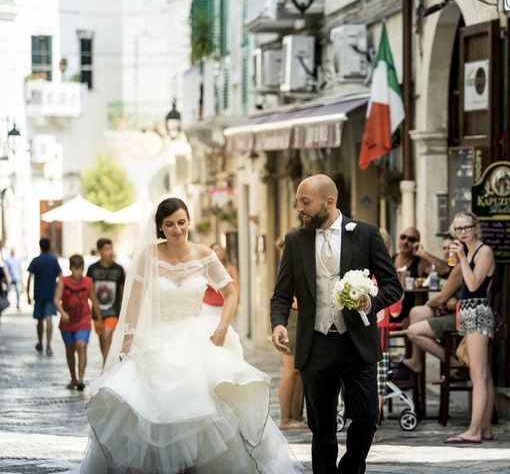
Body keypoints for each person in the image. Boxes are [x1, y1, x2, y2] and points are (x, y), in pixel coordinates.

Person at [81, 197, 301, 473]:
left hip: (197, 335)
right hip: (156, 341)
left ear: (189, 221)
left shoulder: (204, 254)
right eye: (169, 224)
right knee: (155, 406)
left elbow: (231, 294)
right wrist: (127, 344)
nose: (177, 229)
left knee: (205, 403)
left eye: (181, 222)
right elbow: (134, 303)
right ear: (160, 227)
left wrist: (221, 329)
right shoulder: (148, 256)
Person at [270, 175, 403, 474]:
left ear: (329, 201)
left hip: (356, 342)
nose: (299, 208)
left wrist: (371, 302)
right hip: (316, 343)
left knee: (368, 414)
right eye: (298, 202)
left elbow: (393, 286)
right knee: (322, 427)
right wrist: (278, 323)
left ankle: (352, 468)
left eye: (305, 202)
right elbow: (281, 294)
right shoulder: (294, 240)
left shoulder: (366, 234)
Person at [444, 212, 496, 444]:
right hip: (467, 311)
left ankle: (474, 431)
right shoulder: (466, 251)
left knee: (478, 376)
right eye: (458, 229)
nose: (462, 232)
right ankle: (484, 428)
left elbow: (474, 284)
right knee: (484, 374)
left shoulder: (483, 251)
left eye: (466, 227)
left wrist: (463, 257)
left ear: (476, 228)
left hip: (478, 311)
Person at [402, 234, 464, 373]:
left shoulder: (459, 266)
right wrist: (448, 298)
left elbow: (441, 297)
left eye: (451, 247)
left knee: (415, 320)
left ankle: (452, 363)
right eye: (444, 248)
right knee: (417, 312)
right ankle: (416, 360)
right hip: (452, 310)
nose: (448, 251)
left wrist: (423, 254)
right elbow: (447, 293)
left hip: (462, 315)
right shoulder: (456, 266)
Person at [54, 255, 103, 391]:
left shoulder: (88, 282)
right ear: (70, 268)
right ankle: (73, 378)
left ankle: (81, 379)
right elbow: (56, 300)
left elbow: (94, 300)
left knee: (81, 345)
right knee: (70, 350)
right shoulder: (63, 281)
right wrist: (62, 312)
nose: (79, 272)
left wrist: (98, 320)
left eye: (81, 269)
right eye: (76, 269)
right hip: (67, 322)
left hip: (83, 320)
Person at [274, 233, 306, 430]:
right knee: (290, 372)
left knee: (298, 372)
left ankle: (295, 417)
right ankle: (285, 419)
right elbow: (284, 296)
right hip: (291, 320)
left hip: (299, 320)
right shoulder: (286, 266)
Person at [392, 227, 449, 321]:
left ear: (417, 243)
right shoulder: (390, 260)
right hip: (392, 312)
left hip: (413, 315)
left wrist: (423, 253)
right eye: (403, 237)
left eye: (411, 239)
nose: (406, 241)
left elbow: (446, 270)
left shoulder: (421, 263)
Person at [86, 238, 126, 364]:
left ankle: (106, 367)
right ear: (99, 251)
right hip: (97, 311)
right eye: (106, 249)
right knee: (102, 339)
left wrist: (125, 311)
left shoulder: (119, 269)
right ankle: (106, 364)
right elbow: (89, 290)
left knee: (107, 335)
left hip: (113, 311)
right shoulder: (92, 269)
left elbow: (123, 291)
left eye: (111, 249)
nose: (110, 252)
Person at [27, 238, 62, 357]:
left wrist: (28, 294)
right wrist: (58, 291)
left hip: (38, 294)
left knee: (39, 320)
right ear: (50, 246)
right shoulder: (54, 260)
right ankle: (48, 345)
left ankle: (40, 342)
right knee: (49, 319)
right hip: (51, 295)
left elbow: (29, 277)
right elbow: (60, 277)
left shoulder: (36, 260)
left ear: (40, 246)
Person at [201, 242, 239, 316]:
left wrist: (235, 305)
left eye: (221, 249)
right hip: (208, 307)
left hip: (225, 307)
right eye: (216, 250)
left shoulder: (231, 268)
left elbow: (236, 288)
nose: (219, 252)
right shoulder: (206, 269)